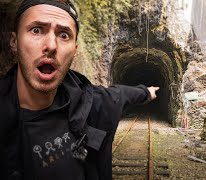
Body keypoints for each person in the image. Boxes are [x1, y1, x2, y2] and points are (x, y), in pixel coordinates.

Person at [0, 0, 160, 179]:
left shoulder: (91, 103)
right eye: (36, 30)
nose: (51, 45)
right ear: (14, 42)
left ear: (75, 49)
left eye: (63, 35)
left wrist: (146, 92)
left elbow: (122, 94)